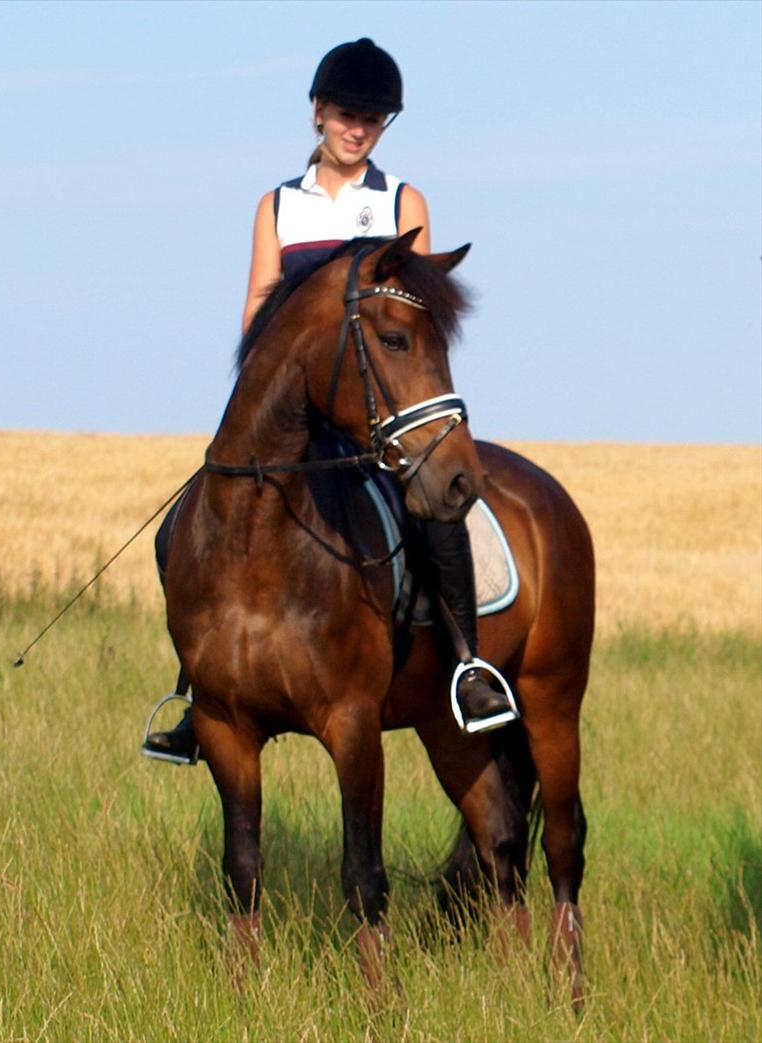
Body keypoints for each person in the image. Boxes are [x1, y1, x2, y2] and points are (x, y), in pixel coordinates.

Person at [144, 39, 512, 762]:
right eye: (348, 114)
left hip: (368, 418)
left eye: (374, 120)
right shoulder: (278, 206)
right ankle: (200, 688)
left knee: (433, 513)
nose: (358, 129)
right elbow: (257, 306)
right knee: (176, 534)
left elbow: (414, 310)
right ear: (318, 113)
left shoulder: (401, 201)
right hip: (290, 420)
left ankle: (468, 664)